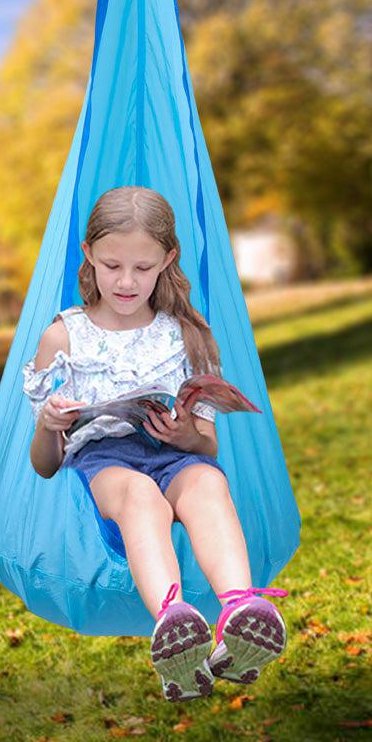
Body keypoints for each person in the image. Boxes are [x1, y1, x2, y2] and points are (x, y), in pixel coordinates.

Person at [25, 187, 286, 701]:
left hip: (175, 455)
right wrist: (49, 424)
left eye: (142, 268)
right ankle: (174, 626)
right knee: (141, 496)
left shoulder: (188, 335)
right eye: (112, 265)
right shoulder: (64, 337)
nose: (126, 281)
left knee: (209, 482)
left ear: (167, 260)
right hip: (107, 464)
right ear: (88, 256)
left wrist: (185, 432)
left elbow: (207, 445)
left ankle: (239, 611)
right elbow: (44, 467)